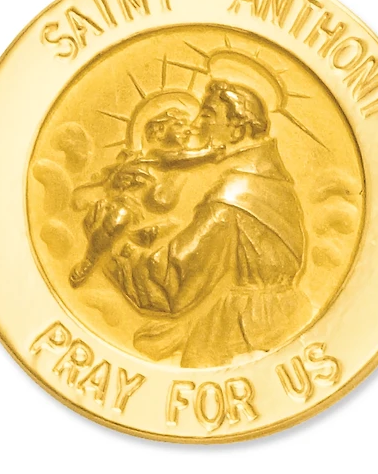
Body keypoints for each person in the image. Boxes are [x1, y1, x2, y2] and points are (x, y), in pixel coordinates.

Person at [109, 80, 309, 368]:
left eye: (207, 115)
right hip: (283, 316)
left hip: (243, 328)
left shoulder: (235, 196)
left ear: (236, 129)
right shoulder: (273, 183)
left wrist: (116, 252)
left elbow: (175, 280)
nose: (196, 125)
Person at [68, 108, 224, 288]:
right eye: (179, 125)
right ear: (160, 130)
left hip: (160, 220)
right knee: (119, 218)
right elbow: (175, 159)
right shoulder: (156, 156)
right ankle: (90, 260)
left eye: (187, 126)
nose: (188, 130)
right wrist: (207, 153)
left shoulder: (188, 170)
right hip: (129, 205)